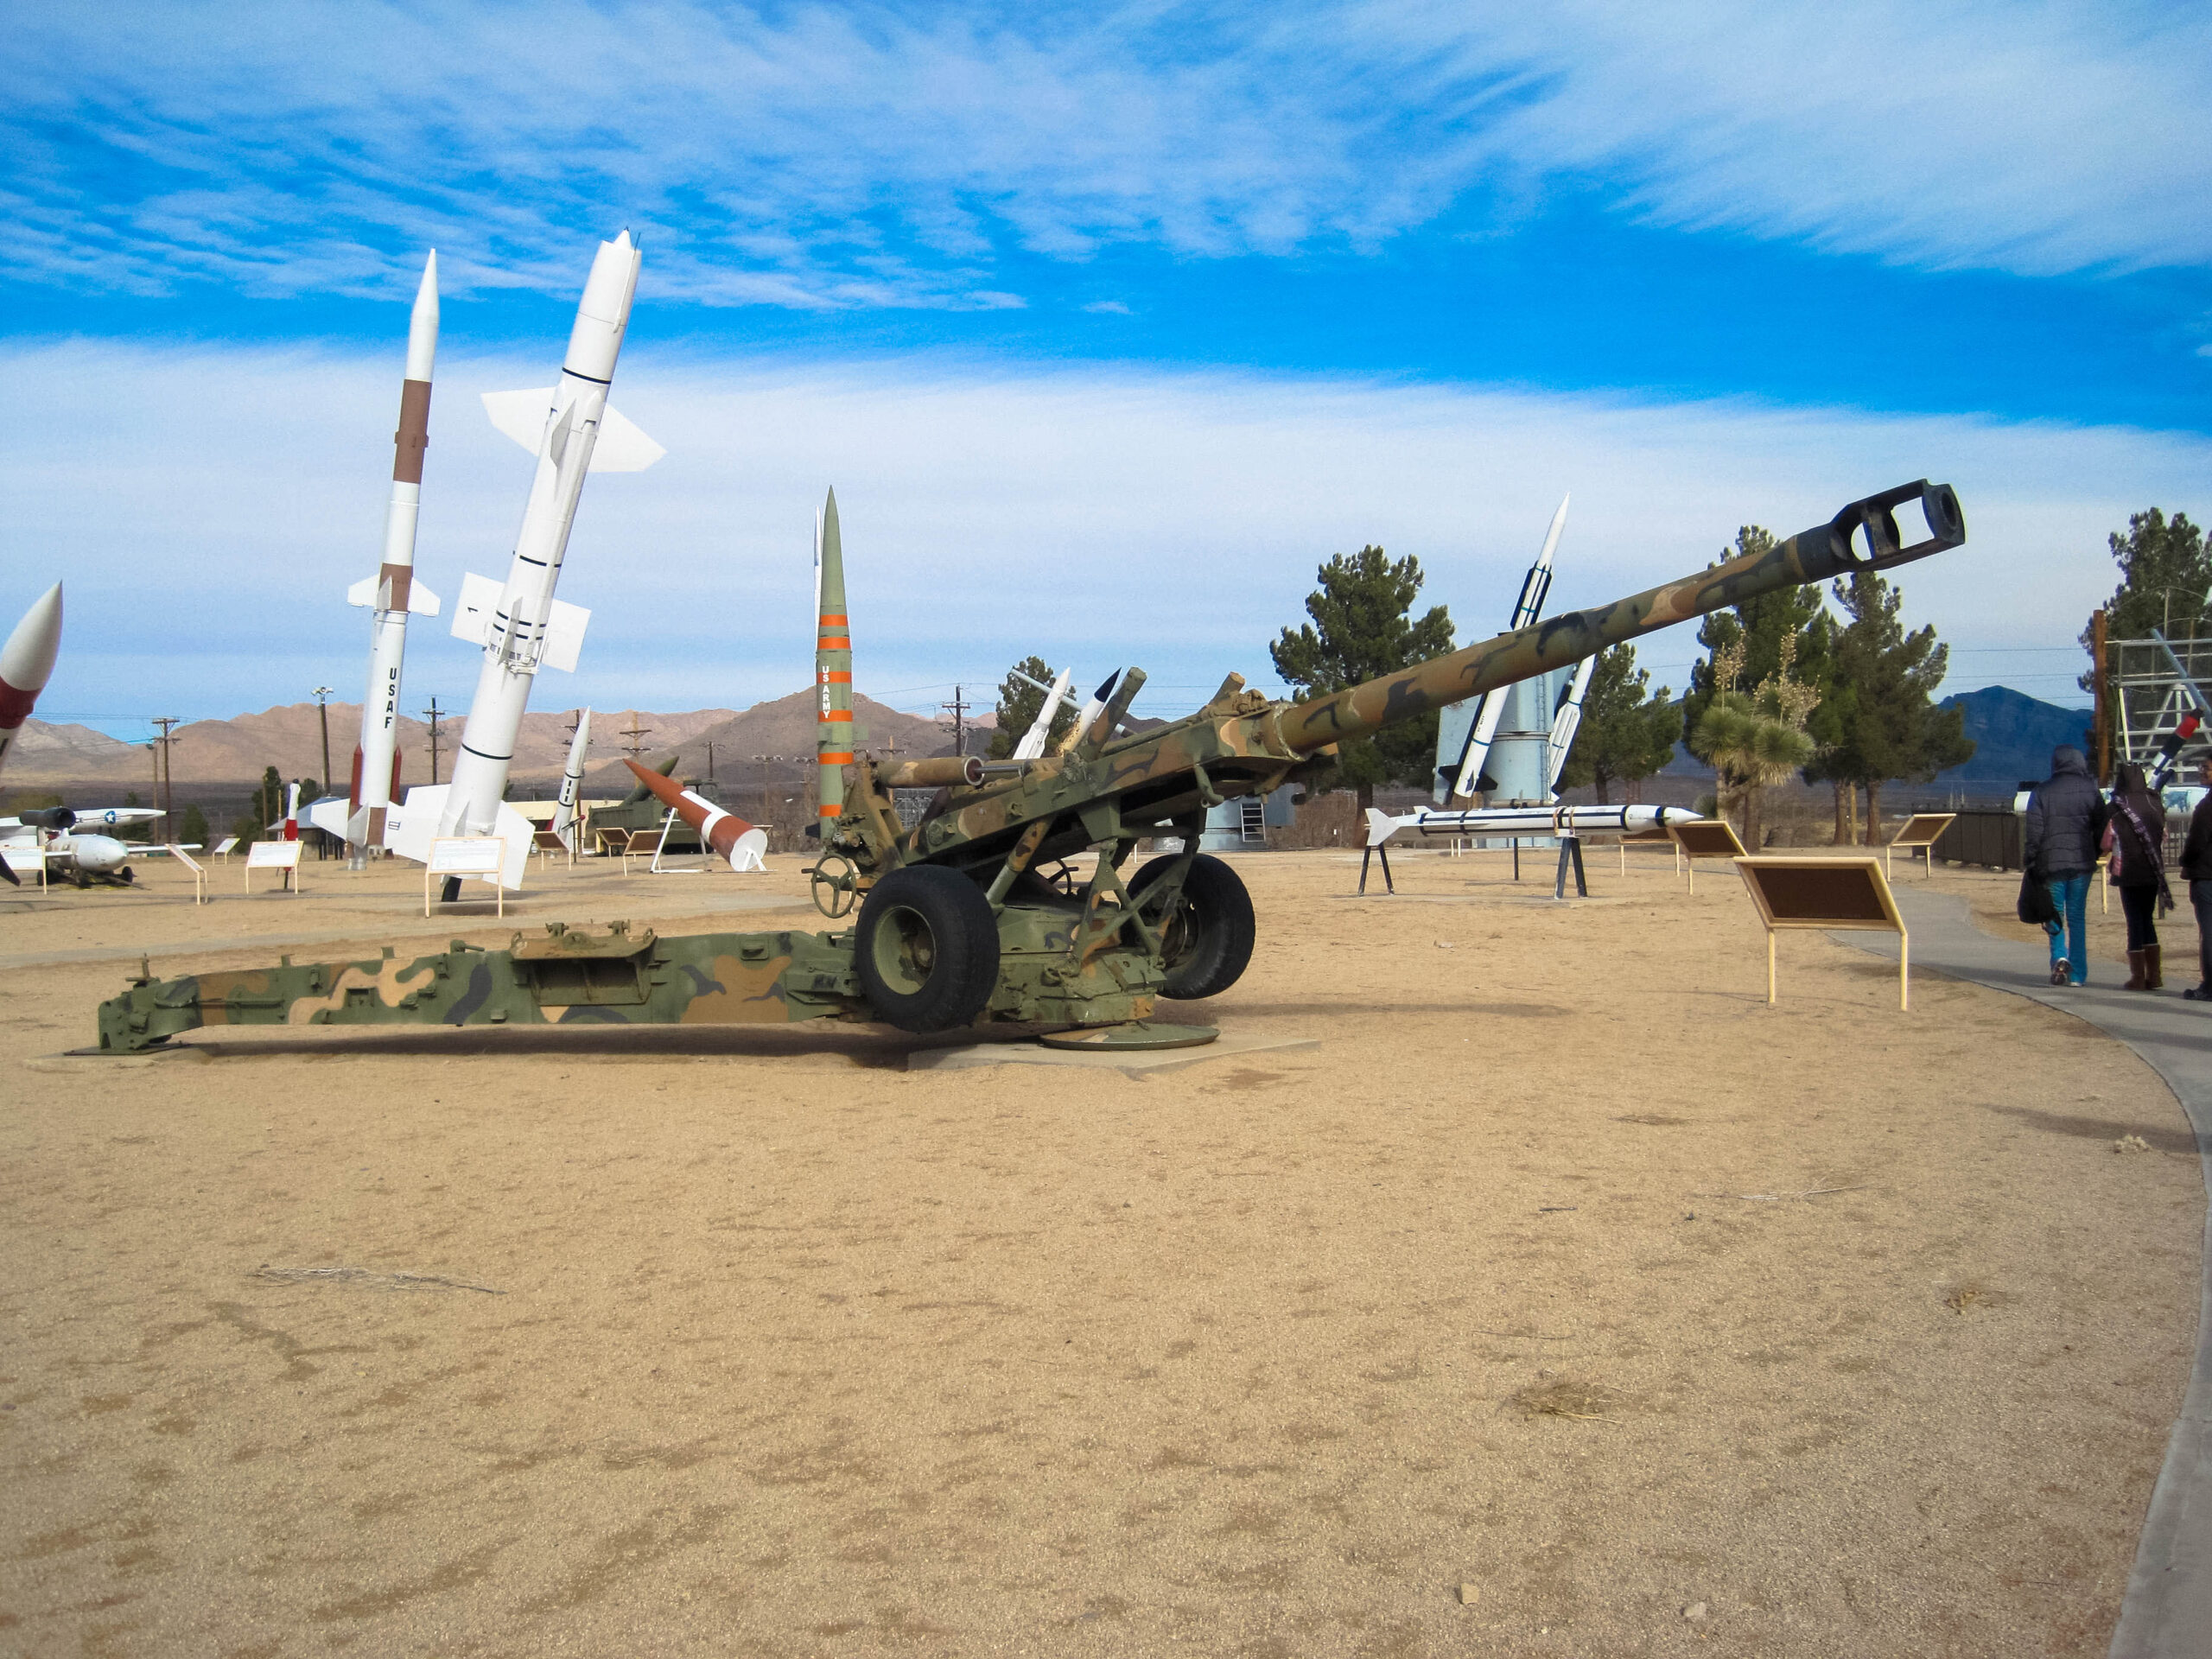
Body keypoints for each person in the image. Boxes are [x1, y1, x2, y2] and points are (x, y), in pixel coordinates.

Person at [2024, 745, 2107, 987]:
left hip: (2050, 864)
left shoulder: (2042, 791)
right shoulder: (2091, 790)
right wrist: (2094, 850)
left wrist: (2031, 859)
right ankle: (2078, 974)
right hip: (2082, 863)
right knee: (2077, 917)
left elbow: (2034, 831)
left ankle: (2059, 957)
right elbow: (2101, 825)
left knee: (2054, 914)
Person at [2102, 760, 2173, 990]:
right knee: (2147, 919)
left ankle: (2138, 977)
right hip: (2152, 869)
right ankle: (2155, 975)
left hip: (2128, 870)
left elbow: (2105, 841)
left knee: (2134, 921)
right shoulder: (2154, 802)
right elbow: (2163, 835)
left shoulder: (2116, 807)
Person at [2181, 754, 2212, 1001]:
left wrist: (2185, 860)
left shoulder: (2206, 807)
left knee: (2209, 932)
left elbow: (2196, 843)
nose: (2202, 771)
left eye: (2207, 768)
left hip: (2207, 876)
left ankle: (2209, 985)